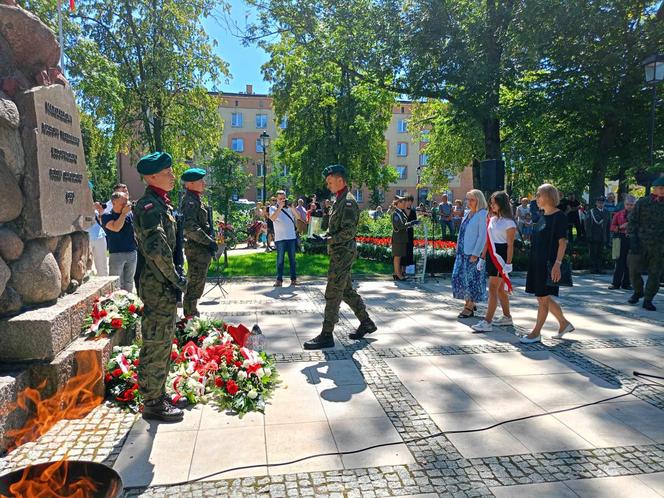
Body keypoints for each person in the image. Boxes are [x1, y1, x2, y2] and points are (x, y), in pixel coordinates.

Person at [133, 151, 187, 422]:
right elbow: (158, 251)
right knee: (155, 341)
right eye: (167, 173)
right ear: (151, 176)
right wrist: (178, 280)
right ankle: (152, 402)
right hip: (157, 284)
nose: (173, 176)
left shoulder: (161, 203)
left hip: (163, 284)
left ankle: (159, 392)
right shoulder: (149, 207)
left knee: (164, 340)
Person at [304, 164, 376, 349]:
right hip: (339, 252)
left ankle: (327, 335)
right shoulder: (339, 200)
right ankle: (366, 322)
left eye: (329, 182)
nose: (327, 185)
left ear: (339, 180)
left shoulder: (349, 202)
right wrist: (323, 236)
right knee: (346, 291)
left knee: (333, 292)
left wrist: (326, 241)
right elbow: (336, 229)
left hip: (343, 253)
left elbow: (348, 232)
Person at [521, 184, 574, 343]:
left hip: (548, 264)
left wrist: (557, 264)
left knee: (543, 298)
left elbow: (562, 243)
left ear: (549, 196)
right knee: (542, 297)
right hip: (537, 262)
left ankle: (536, 333)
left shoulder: (559, 217)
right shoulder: (543, 215)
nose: (536, 198)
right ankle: (564, 324)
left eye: (538, 195)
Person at [472, 191, 517, 332]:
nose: (491, 205)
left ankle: (487, 321)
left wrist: (508, 263)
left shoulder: (509, 222)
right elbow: (488, 240)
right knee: (499, 290)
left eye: (493, 202)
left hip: (501, 256)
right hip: (492, 254)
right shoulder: (492, 219)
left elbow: (510, 244)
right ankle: (507, 317)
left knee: (492, 288)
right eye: (491, 202)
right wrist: (482, 257)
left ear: (501, 203)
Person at [180, 168, 216, 317]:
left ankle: (192, 313)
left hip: (201, 249)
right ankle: (190, 317)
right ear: (190, 183)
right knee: (194, 284)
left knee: (197, 284)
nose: (204, 183)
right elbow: (190, 227)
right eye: (201, 181)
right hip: (197, 250)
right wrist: (208, 242)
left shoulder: (196, 199)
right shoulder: (190, 201)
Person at [627, 176, 664, 311]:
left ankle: (648, 299)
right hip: (640, 242)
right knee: (633, 270)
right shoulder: (643, 203)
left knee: (655, 273)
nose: (662, 191)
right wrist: (633, 238)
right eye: (660, 188)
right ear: (654, 189)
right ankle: (638, 291)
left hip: (659, 246)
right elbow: (632, 220)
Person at [452, 189, 488, 318]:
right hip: (462, 252)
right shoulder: (467, 213)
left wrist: (476, 253)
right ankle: (469, 303)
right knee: (460, 278)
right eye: (467, 199)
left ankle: (469, 306)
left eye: (472, 199)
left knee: (472, 280)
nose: (469, 202)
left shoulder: (482, 214)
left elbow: (482, 236)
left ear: (479, 200)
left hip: (472, 253)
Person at [102, 191, 137, 292]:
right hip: (116, 254)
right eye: (123, 203)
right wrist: (123, 214)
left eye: (127, 202)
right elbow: (116, 227)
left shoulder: (129, 215)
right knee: (116, 283)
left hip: (132, 252)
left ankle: (130, 305)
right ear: (114, 203)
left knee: (129, 282)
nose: (126, 205)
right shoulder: (107, 216)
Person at [269, 190, 303, 287]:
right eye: (281, 199)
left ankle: (293, 279)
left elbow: (299, 217)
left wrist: (292, 207)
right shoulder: (272, 208)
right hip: (280, 239)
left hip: (291, 237)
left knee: (292, 259)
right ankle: (279, 280)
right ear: (277, 199)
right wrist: (279, 207)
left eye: (284, 198)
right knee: (280, 260)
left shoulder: (289, 208)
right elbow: (272, 218)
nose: (283, 200)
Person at [608, 195, 635, 291]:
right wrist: (620, 227)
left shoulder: (638, 215)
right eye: (628, 204)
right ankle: (615, 284)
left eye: (631, 205)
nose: (629, 206)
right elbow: (611, 227)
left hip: (632, 239)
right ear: (624, 204)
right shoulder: (618, 214)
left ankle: (626, 284)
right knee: (619, 262)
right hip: (620, 238)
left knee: (630, 262)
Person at [390, 197, 418, 280]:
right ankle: (398, 275)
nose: (404, 204)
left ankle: (399, 273)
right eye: (403, 203)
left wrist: (411, 223)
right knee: (397, 257)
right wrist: (411, 223)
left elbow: (404, 223)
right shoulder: (395, 214)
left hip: (402, 238)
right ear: (398, 204)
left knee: (400, 257)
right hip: (398, 238)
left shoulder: (401, 213)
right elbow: (399, 226)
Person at [585, 196, 610, 273]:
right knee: (593, 253)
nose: (601, 204)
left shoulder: (606, 212)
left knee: (600, 253)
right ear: (596, 203)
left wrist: (607, 237)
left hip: (603, 236)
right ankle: (593, 268)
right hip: (593, 235)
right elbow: (587, 225)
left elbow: (608, 225)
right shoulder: (591, 212)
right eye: (599, 202)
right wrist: (589, 235)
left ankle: (600, 268)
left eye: (602, 202)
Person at [88, 190, 108, 277]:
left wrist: (100, 212)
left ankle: (106, 288)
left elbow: (102, 222)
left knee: (102, 266)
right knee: (86, 267)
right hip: (85, 237)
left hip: (99, 236)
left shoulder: (94, 207)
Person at [401, 195, 417, 274]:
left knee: (409, 251)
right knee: (402, 251)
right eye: (408, 201)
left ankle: (406, 271)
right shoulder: (401, 211)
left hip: (410, 233)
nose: (409, 203)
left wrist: (416, 223)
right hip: (402, 233)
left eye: (411, 202)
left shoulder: (413, 212)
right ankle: (400, 270)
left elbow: (415, 222)